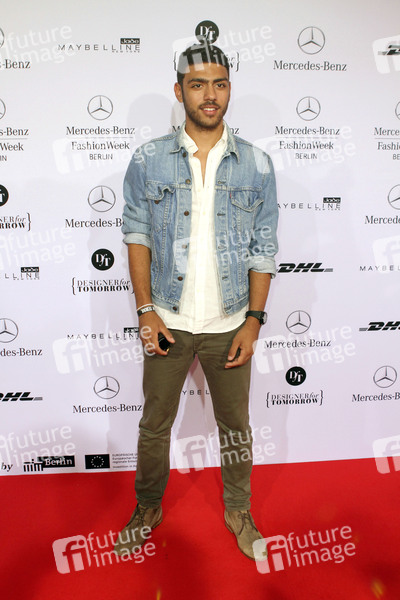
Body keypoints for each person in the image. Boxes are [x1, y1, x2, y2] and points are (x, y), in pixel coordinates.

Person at [115, 41, 278, 561]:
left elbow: (264, 247)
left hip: (229, 321)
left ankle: (238, 509)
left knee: (236, 428)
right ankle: (147, 507)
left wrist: (253, 321)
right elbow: (137, 235)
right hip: (168, 318)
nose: (210, 95)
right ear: (179, 90)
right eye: (198, 84)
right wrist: (146, 311)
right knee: (153, 424)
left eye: (220, 84)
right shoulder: (148, 160)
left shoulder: (257, 164)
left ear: (229, 89)